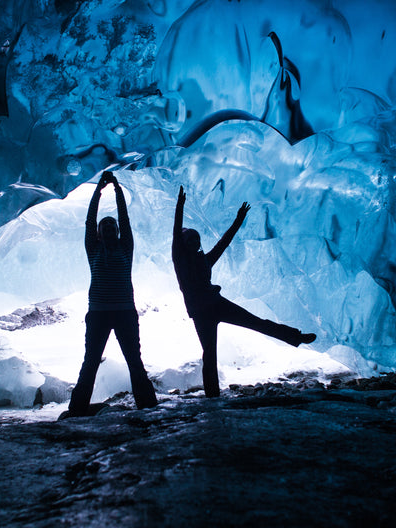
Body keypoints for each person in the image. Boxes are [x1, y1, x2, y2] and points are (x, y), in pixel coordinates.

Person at [172, 186, 316, 397]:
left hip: (217, 304)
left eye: (196, 239)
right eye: (190, 240)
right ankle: (212, 395)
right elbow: (176, 234)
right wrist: (180, 206)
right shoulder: (180, 260)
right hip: (200, 313)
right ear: (184, 244)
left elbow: (224, 242)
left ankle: (295, 337)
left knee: (257, 322)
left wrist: (239, 220)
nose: (194, 242)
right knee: (209, 354)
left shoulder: (205, 260)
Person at [65, 171, 158, 418]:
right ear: (98, 232)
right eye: (103, 224)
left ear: (117, 231)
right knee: (91, 362)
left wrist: (116, 190)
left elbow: (125, 220)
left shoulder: (125, 247)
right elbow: (89, 221)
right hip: (98, 314)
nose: (107, 225)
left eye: (111, 224)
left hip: (125, 312)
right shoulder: (93, 249)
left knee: (134, 361)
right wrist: (98, 191)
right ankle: (76, 410)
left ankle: (148, 406)